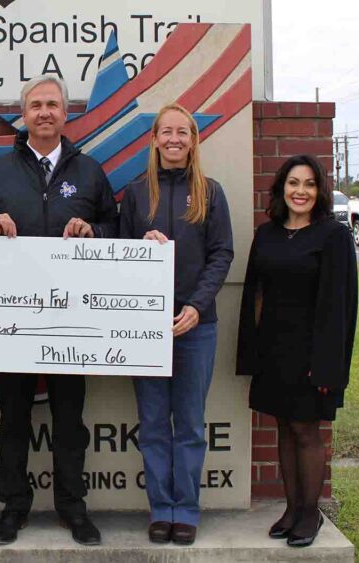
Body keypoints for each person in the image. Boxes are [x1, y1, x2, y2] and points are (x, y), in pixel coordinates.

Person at [0, 74, 118, 547]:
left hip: (73, 321)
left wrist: (93, 230)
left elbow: (116, 230)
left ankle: (73, 507)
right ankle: (12, 507)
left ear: (65, 113)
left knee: (69, 420)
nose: (45, 112)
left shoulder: (90, 171)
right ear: (24, 113)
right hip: (13, 320)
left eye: (53, 104)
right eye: (36, 105)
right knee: (12, 417)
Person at [118, 103, 234, 545]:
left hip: (195, 326)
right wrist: (138, 243)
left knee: (188, 423)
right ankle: (159, 509)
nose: (173, 139)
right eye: (165, 132)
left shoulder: (210, 192)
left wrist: (198, 307)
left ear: (193, 139)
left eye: (182, 132)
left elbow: (222, 253)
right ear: (153, 139)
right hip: (144, 329)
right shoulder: (135, 194)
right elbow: (115, 255)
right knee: (151, 424)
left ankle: (185, 509)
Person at [236, 154, 357, 548]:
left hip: (313, 352)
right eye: (293, 183)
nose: (300, 191)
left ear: (319, 191)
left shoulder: (333, 236)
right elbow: (254, 293)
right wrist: (251, 352)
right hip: (274, 348)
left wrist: (327, 366)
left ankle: (311, 513)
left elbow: (341, 304)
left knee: (307, 430)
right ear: (281, 189)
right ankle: (291, 509)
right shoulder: (268, 233)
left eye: (308, 184)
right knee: (284, 428)